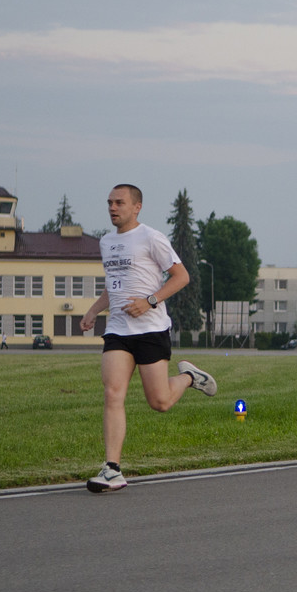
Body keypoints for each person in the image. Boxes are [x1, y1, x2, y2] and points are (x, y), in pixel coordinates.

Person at [79, 184, 217, 493]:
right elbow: (113, 285)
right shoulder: (106, 242)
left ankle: (189, 378)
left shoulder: (151, 238)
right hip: (118, 330)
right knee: (113, 393)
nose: (113, 208)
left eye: (120, 202)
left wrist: (150, 301)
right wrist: (94, 310)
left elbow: (182, 277)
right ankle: (112, 469)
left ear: (136, 207)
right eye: (110, 203)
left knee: (160, 402)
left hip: (151, 330)